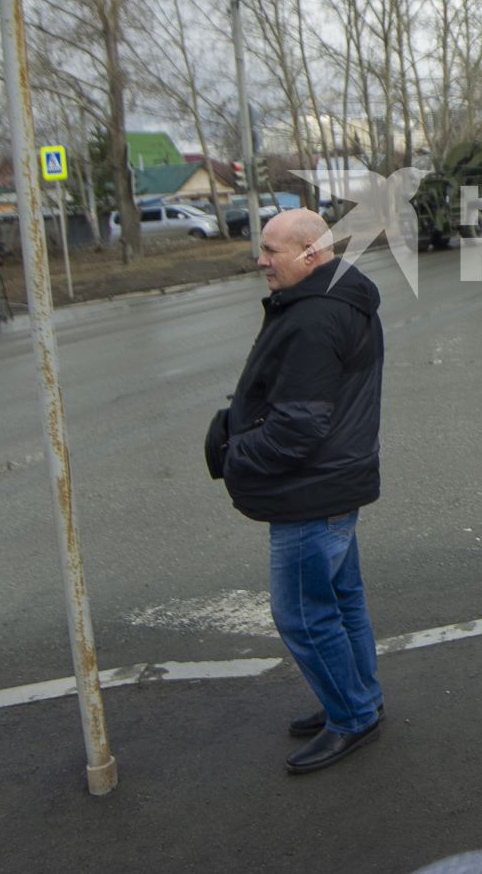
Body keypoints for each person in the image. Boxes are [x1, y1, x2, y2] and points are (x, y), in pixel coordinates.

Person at [205, 208, 386, 775]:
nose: (260, 260)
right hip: (335, 480)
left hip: (310, 489)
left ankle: (353, 715)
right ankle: (361, 698)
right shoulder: (338, 299)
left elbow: (299, 424)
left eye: (271, 251)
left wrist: (237, 456)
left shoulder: (313, 319)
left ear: (311, 254)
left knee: (303, 616)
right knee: (342, 600)